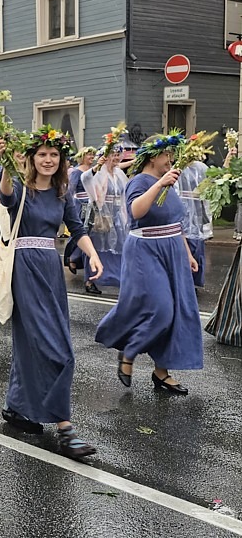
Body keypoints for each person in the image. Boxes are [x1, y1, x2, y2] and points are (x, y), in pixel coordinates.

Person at [0, 126, 102, 457]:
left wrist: (93, 254)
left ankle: (16, 406)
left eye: (54, 154)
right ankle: (65, 429)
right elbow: (6, 197)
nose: (48, 159)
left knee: (31, 344)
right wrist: (7, 166)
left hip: (50, 270)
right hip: (25, 269)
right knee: (57, 350)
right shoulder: (21, 188)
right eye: (42, 154)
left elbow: (77, 227)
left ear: (61, 159)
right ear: (31, 158)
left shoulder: (62, 193)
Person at [95, 133, 203, 395]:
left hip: (172, 250)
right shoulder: (140, 181)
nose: (171, 160)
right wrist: (160, 184)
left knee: (176, 311)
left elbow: (174, 221)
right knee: (161, 309)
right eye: (168, 155)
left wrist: (186, 252)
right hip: (146, 250)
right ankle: (128, 353)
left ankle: (161, 373)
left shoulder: (168, 181)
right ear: (154, 156)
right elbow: (136, 211)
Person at [79, 144, 129, 294]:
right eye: (112, 155)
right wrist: (96, 168)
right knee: (96, 245)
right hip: (100, 216)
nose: (115, 158)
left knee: (118, 244)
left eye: (117, 155)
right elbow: (85, 178)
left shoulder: (119, 173)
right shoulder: (99, 172)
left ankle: (116, 277)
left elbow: (124, 193)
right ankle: (91, 279)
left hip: (117, 215)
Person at [177, 159, 212, 287]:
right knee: (187, 243)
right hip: (184, 210)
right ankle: (187, 280)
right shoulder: (179, 168)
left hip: (197, 209)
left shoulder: (200, 167)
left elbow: (212, 179)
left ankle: (196, 279)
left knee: (198, 245)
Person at [64, 146, 97, 276]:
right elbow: (71, 190)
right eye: (89, 155)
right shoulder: (77, 172)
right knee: (79, 230)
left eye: (92, 155)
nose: (91, 157)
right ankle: (71, 256)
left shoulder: (93, 171)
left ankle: (80, 259)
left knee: (89, 232)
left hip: (91, 204)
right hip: (80, 204)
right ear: (82, 157)